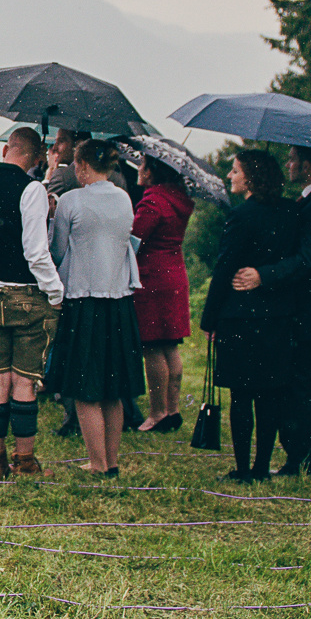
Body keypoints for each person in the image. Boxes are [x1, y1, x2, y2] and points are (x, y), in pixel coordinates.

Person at [236, 145, 311, 478]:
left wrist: (263, 275)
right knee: (304, 386)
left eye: (293, 159)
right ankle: (301, 455)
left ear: (308, 165)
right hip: (306, 310)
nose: (288, 164)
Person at [0, 126, 62, 480]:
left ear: (7, 148)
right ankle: (25, 461)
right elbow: (35, 251)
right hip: (25, 292)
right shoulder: (33, 189)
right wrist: (55, 291)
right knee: (23, 380)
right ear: (37, 158)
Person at [203, 148, 301, 482]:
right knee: (270, 394)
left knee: (242, 395)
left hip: (241, 315)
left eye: (235, 170)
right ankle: (261, 466)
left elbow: (224, 268)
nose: (230, 175)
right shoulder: (291, 213)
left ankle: (244, 468)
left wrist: (209, 318)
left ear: (251, 177)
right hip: (278, 316)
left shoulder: (241, 216)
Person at [49, 137, 142, 476]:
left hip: (84, 300)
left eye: (76, 166)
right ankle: (112, 461)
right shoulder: (124, 199)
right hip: (119, 300)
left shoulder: (71, 201)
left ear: (84, 166)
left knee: (85, 389)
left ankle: (97, 462)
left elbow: (57, 251)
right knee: (113, 388)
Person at [131, 154, 195, 434]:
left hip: (152, 277)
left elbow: (135, 238)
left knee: (152, 346)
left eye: (143, 165)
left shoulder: (153, 201)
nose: (139, 169)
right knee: (170, 345)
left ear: (152, 171)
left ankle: (157, 412)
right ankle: (173, 409)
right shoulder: (179, 199)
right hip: (174, 274)